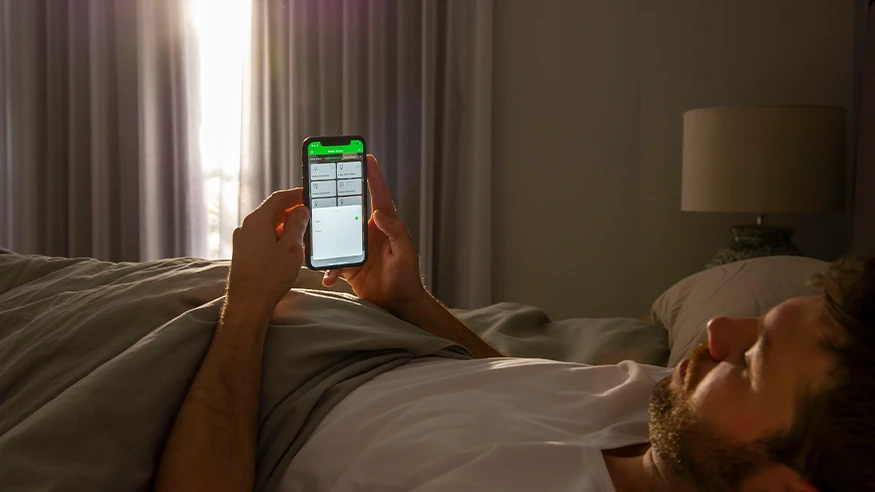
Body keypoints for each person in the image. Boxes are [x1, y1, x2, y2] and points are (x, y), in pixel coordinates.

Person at [153, 155, 875, 492]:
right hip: (351, 338)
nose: (717, 331)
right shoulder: (675, 412)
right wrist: (408, 304)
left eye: (749, 361)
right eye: (751, 328)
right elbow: (514, 393)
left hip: (235, 389)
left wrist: (245, 307)